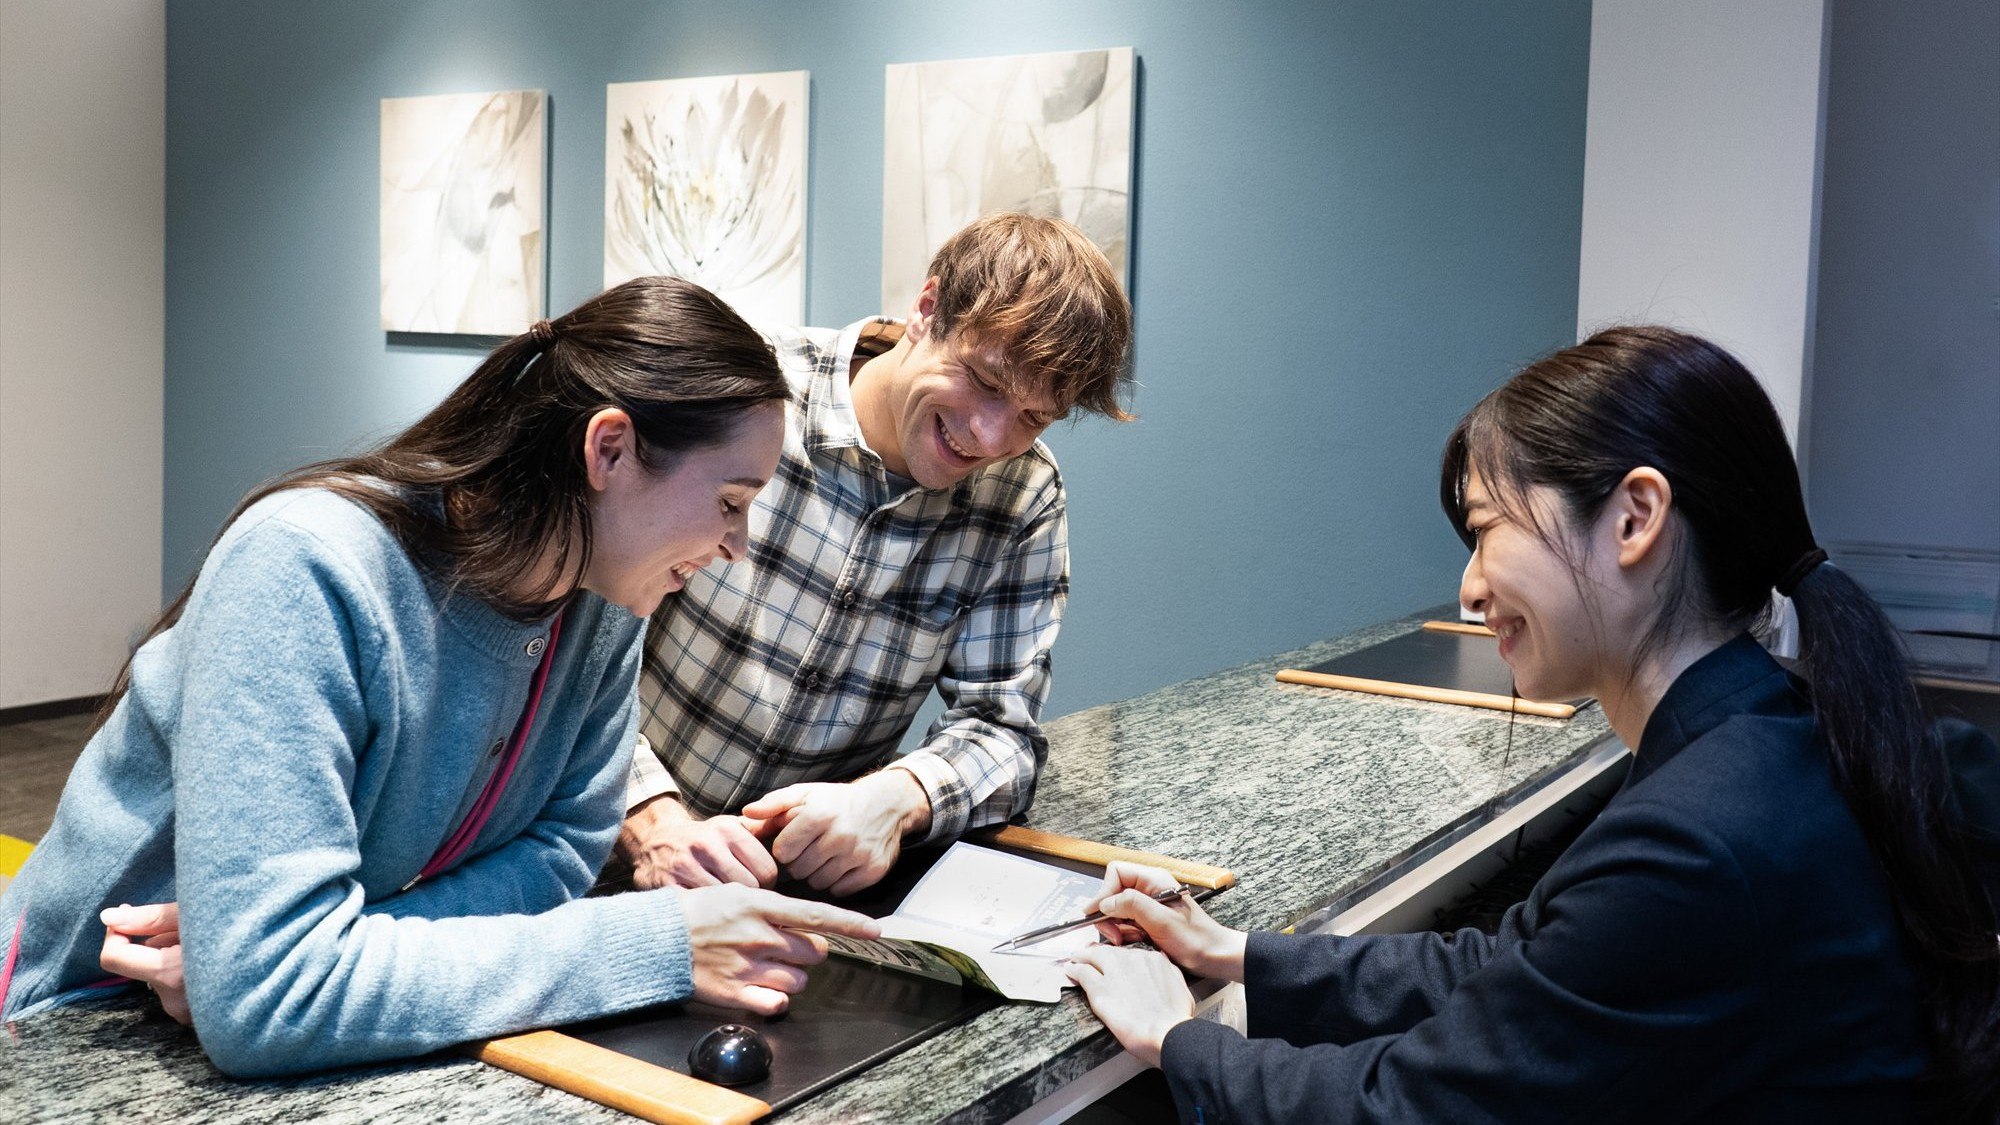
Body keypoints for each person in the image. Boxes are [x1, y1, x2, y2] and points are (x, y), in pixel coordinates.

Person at [1062, 326, 2000, 1122]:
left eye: (1486, 529)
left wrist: (1178, 1038)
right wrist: (1234, 952)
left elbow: (1415, 1106)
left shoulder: (1699, 840)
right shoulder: (1767, 729)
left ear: (1635, 516)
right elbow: (1524, 966)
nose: (1471, 587)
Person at [0, 277, 877, 1077]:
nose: (739, 545)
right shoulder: (306, 568)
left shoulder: (608, 603)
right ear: (608, 449)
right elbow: (269, 1006)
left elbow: (559, 854)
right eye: (729, 501)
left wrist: (321, 951)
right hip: (71, 1032)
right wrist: (657, 944)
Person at [617, 213, 1133, 897]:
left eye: (1034, 417)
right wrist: (655, 820)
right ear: (928, 309)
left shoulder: (1025, 495)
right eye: (985, 382)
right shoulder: (748, 393)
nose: (989, 435)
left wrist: (896, 796)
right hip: (603, 844)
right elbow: (575, 656)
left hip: (794, 891)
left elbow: (1001, 731)